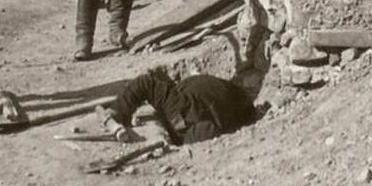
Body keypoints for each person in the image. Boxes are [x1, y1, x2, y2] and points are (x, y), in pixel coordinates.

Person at [102, 66, 256, 145]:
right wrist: (118, 111)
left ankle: (118, 111)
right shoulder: (177, 104)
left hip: (197, 102)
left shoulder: (196, 126)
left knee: (196, 133)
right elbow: (145, 83)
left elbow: (146, 83)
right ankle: (118, 111)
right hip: (196, 99)